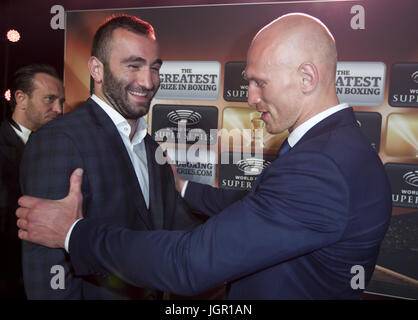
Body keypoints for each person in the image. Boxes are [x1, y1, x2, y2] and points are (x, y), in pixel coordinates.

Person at [16, 13, 392, 299]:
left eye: (260, 82)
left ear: (308, 78)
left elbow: (189, 261)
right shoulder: (338, 148)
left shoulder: (321, 166)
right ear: (95, 69)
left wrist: (73, 233)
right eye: (133, 65)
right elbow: (256, 205)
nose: (251, 98)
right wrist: (185, 190)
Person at [18, 15, 201, 300]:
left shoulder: (153, 150)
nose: (148, 81)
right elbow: (46, 269)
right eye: (134, 66)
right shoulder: (60, 140)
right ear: (96, 70)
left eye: (154, 68)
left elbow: (176, 234)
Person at [0, 64, 64, 299]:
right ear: (20, 98)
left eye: (61, 101)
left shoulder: (59, 149)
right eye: (49, 99)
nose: (58, 109)